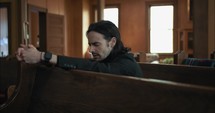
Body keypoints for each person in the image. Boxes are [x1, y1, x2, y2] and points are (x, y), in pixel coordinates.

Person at [16, 20, 143, 77]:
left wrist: (42, 55)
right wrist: (35, 57)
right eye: (90, 44)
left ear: (112, 42)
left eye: (96, 44)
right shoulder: (106, 58)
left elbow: (95, 68)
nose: (91, 50)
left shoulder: (128, 63)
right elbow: (80, 65)